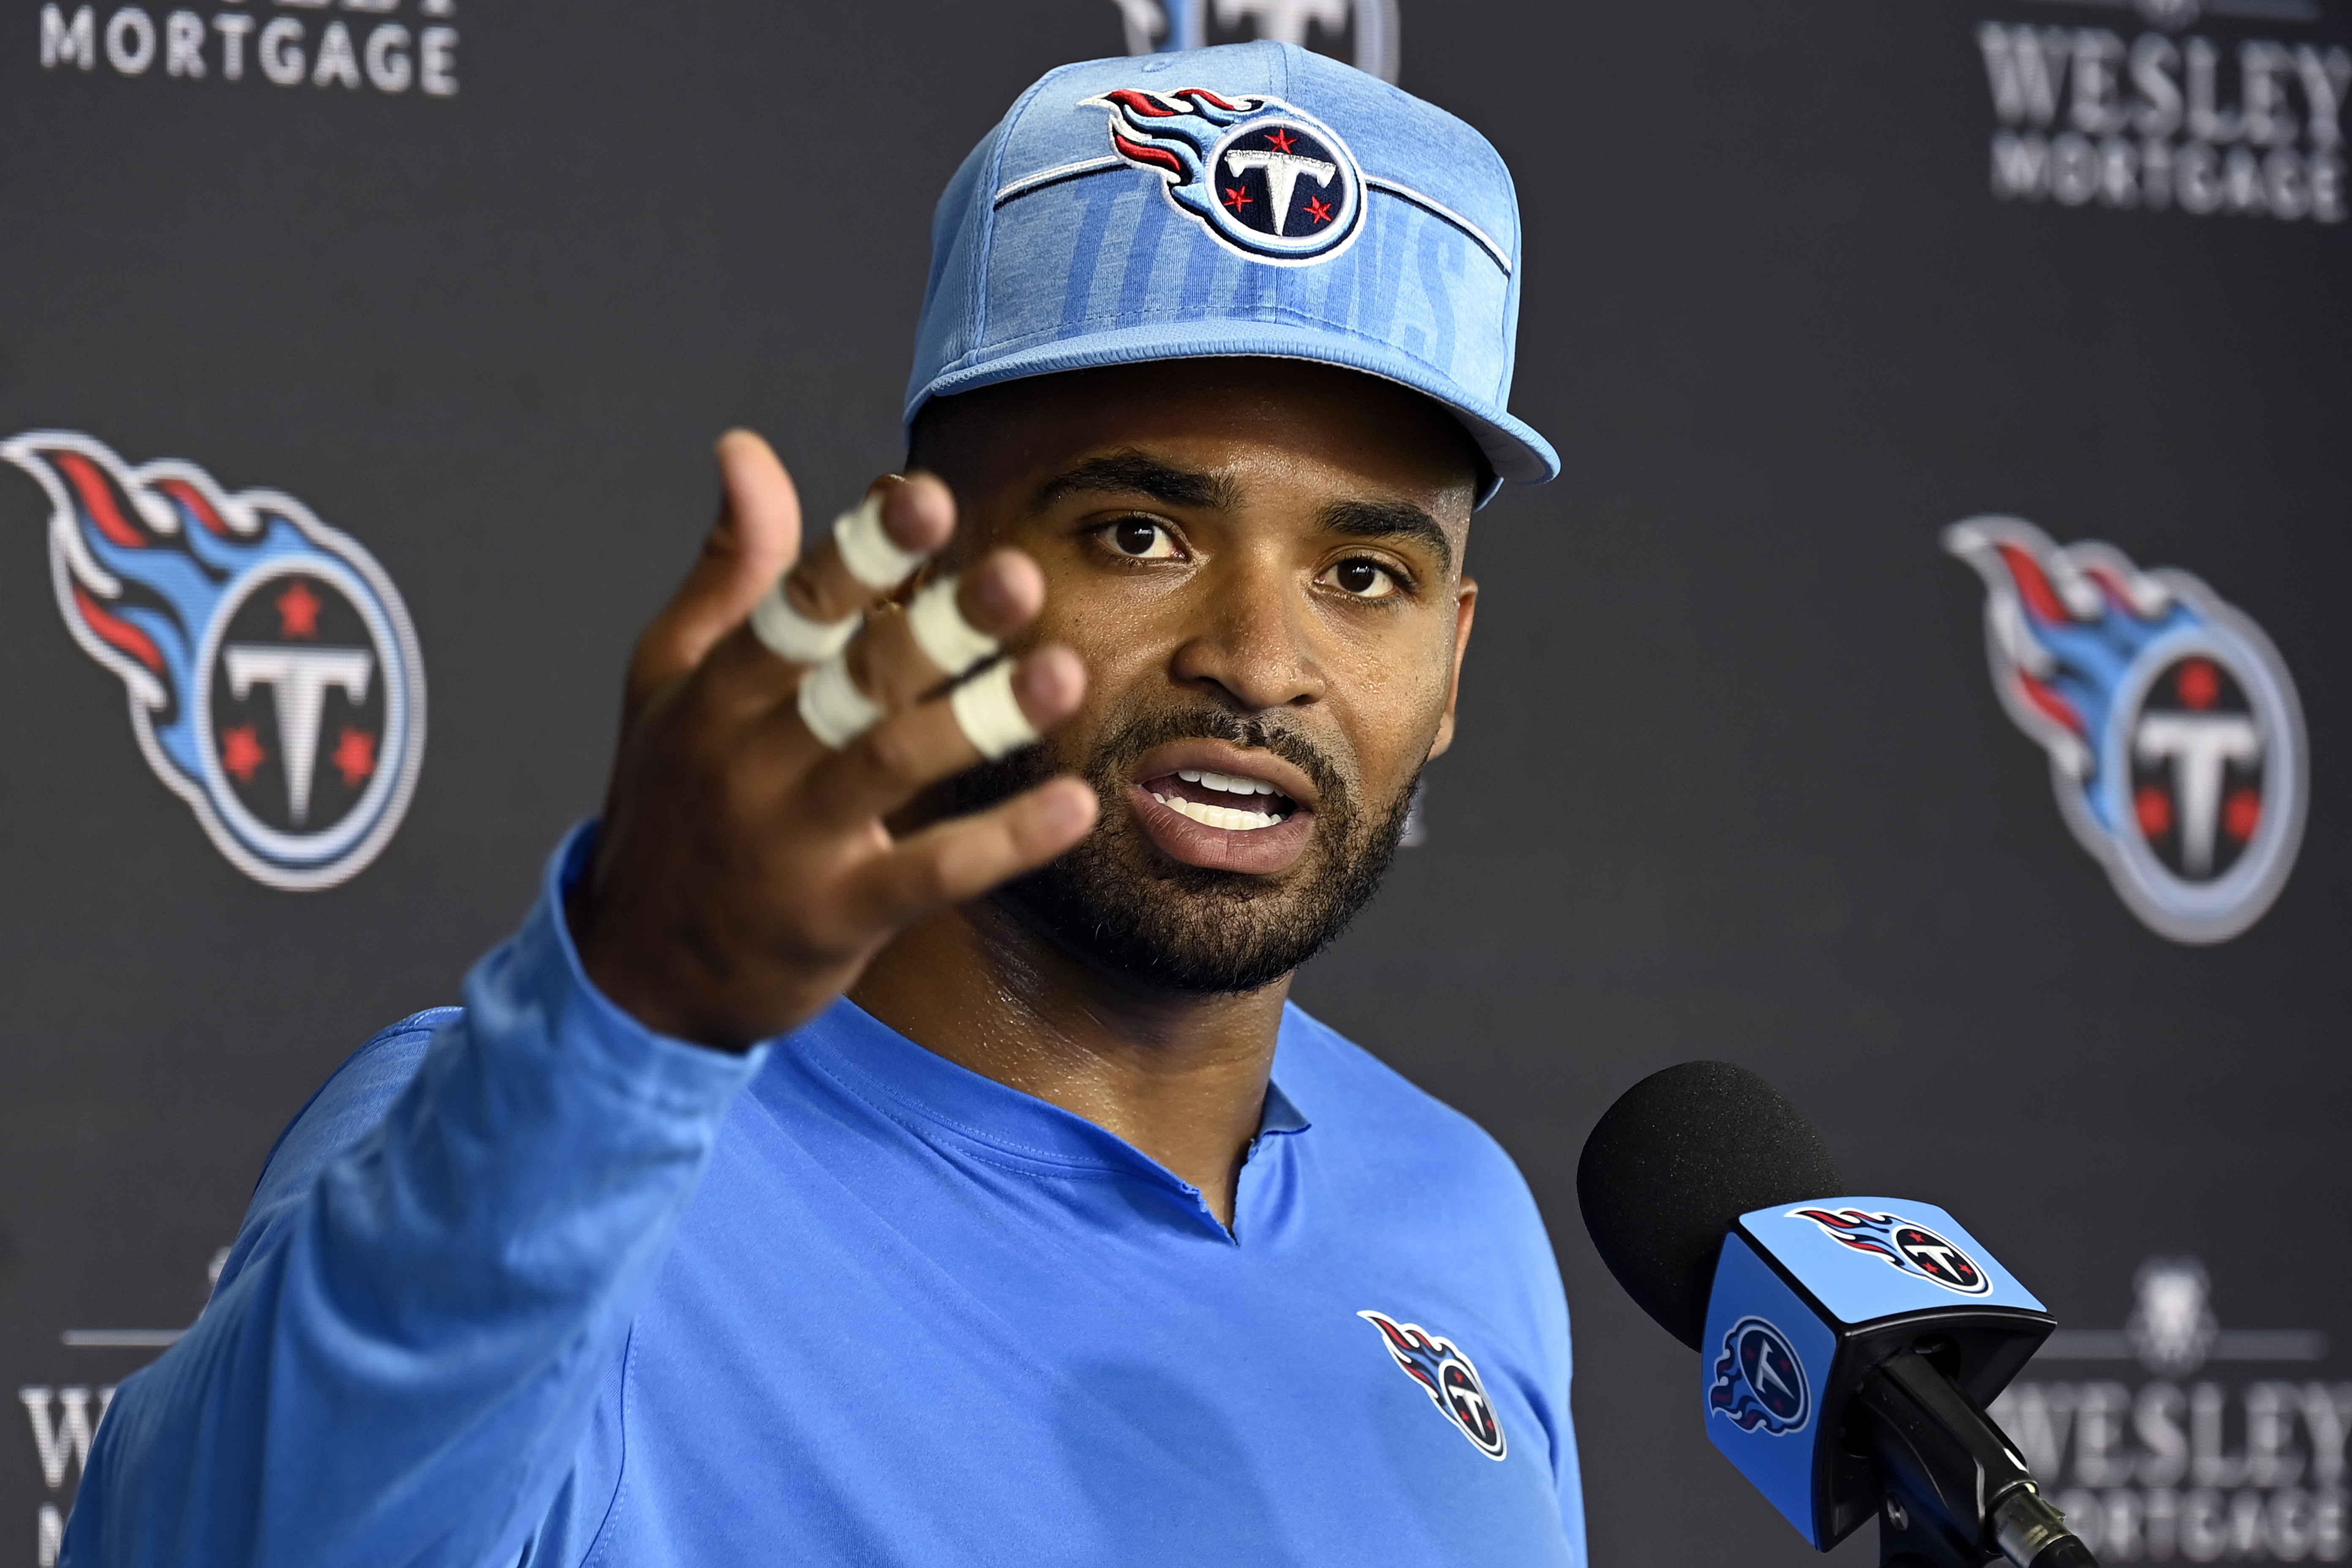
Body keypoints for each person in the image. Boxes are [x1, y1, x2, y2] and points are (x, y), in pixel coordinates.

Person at [65, 40, 1583, 1568]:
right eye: (1138, 535)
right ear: (920, 578)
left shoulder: (1455, 1208)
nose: (1260, 662)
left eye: (1363, 577)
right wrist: (623, 1024)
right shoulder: (525, 1144)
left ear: (1450, 662)